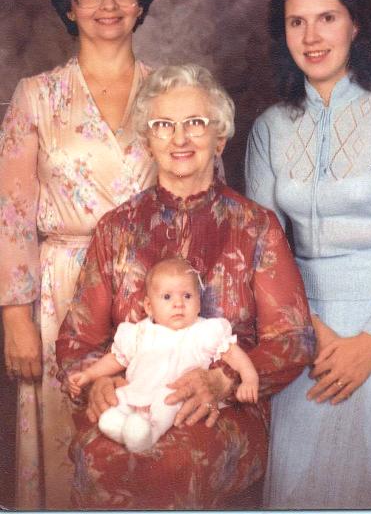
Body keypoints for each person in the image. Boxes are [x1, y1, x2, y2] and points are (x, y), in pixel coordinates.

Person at [56, 63, 315, 509]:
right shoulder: (116, 228)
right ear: (147, 140)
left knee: (177, 462)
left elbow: (293, 338)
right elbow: (78, 339)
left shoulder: (255, 226)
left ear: (220, 138)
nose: (179, 139)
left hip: (222, 409)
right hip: (132, 398)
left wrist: (223, 380)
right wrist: (99, 384)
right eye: (163, 125)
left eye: (195, 123)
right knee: (100, 455)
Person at [245, 0, 371, 509]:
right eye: (296, 22)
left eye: (327, 18)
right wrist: (312, 333)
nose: (312, 36)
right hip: (305, 325)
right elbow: (262, 252)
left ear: (356, 25)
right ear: (283, 35)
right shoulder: (269, 128)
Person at [0, 0, 157, 509]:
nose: (106, 4)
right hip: (59, 294)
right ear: (68, 5)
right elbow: (11, 216)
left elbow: (202, 204)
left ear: (140, 0)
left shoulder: (172, 92)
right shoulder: (36, 96)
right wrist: (15, 318)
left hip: (153, 298)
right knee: (67, 452)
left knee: (147, 443)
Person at [67, 256, 259, 453]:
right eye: (167, 297)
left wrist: (249, 379)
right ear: (149, 306)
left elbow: (234, 355)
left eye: (187, 296)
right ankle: (117, 425)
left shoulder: (205, 332)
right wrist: (89, 374)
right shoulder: (138, 333)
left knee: (167, 404)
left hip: (175, 393)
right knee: (120, 397)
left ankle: (149, 435)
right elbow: (116, 359)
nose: (179, 304)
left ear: (199, 304)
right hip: (138, 388)